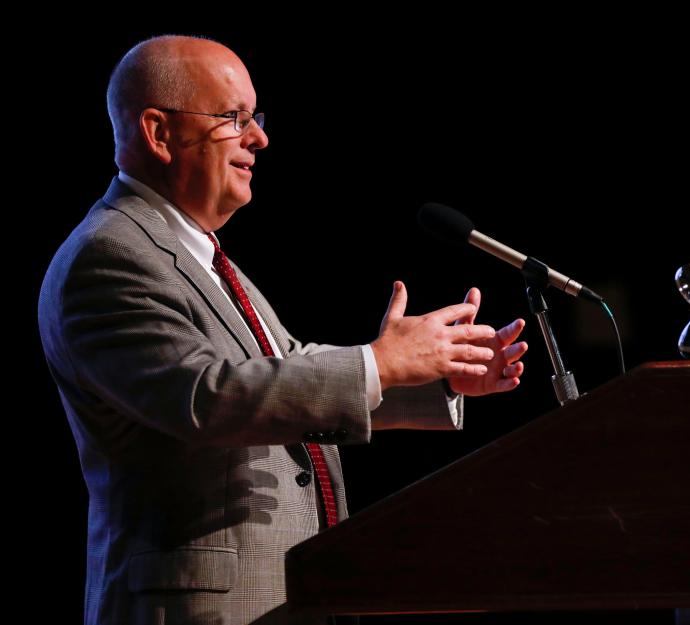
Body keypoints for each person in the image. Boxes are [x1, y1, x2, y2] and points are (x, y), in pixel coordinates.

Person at [38, 35, 527, 625]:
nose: (259, 138)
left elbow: (284, 369)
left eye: (255, 117)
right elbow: (208, 396)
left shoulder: (201, 257)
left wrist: (439, 374)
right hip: (194, 608)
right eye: (233, 118)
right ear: (158, 133)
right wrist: (382, 361)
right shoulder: (109, 256)